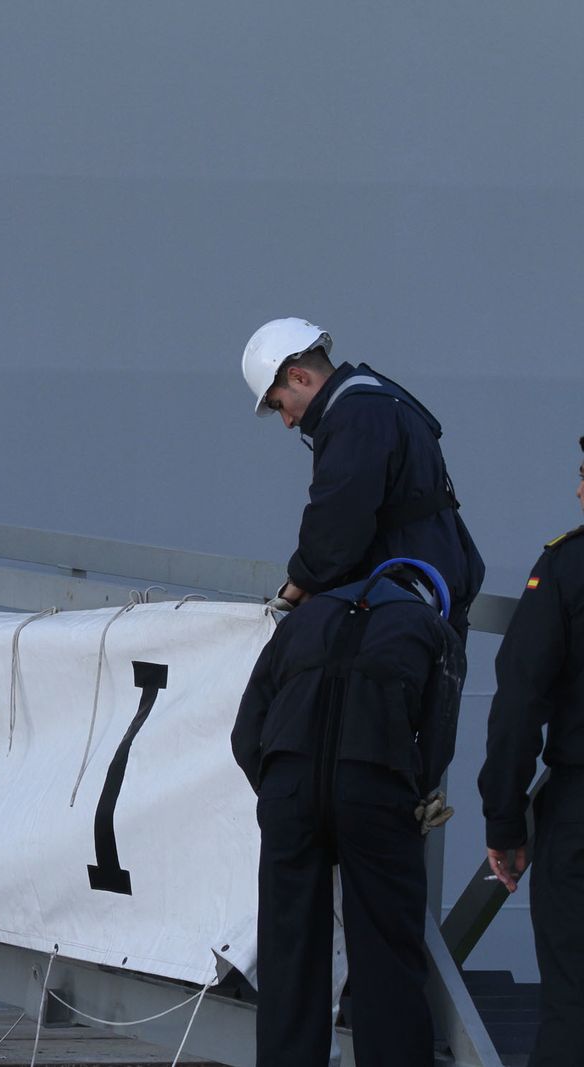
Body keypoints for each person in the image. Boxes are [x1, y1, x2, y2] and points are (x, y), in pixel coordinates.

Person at [233, 558, 465, 1067]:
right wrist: (408, 795)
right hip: (375, 787)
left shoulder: (303, 620)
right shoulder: (436, 632)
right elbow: (437, 743)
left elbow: (246, 731)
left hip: (289, 786)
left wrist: (278, 792)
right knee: (387, 956)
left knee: (289, 954)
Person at [241, 318, 484, 635]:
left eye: (279, 405)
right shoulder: (375, 397)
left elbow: (338, 518)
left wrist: (300, 582)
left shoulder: (355, 416)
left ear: (298, 377)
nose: (287, 421)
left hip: (401, 598)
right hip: (430, 580)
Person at [478, 437, 584, 1066]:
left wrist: (504, 819)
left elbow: (520, 701)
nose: (579, 490)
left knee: (573, 1005)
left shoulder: (567, 565)